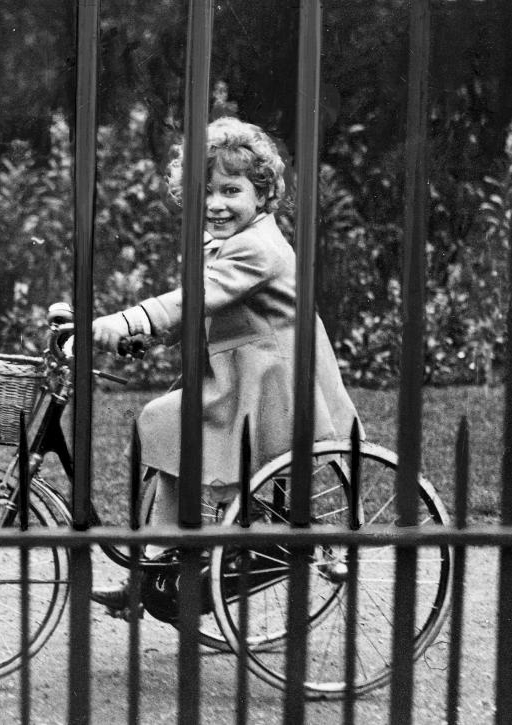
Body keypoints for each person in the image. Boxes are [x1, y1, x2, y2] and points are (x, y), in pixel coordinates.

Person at [89, 116, 358, 612]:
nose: (215, 204)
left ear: (262, 194)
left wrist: (130, 318)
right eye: (205, 191)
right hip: (242, 371)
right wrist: (149, 335)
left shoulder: (258, 247)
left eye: (230, 190)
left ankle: (190, 559)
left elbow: (198, 297)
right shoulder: (228, 243)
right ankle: (153, 570)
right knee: (171, 431)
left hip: (275, 383)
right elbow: (210, 311)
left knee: (168, 421)